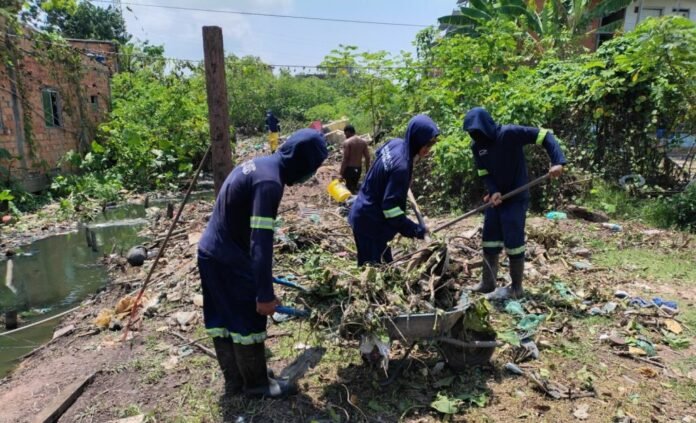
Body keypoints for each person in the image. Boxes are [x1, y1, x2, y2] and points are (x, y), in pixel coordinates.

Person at [197, 129, 328, 399]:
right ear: (301, 162)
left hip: (211, 252)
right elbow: (261, 241)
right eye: (312, 168)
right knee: (249, 318)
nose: (309, 175)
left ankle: (237, 381)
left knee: (224, 318)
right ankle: (257, 385)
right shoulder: (270, 182)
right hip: (229, 258)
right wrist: (265, 294)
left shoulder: (260, 165)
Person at [464, 107, 565, 299]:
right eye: (472, 133)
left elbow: (545, 135)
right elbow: (484, 173)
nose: (475, 136)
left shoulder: (509, 134)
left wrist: (557, 161)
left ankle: (516, 288)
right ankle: (488, 283)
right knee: (489, 239)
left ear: (486, 126)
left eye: (477, 132)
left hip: (516, 197)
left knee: (513, 242)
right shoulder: (477, 147)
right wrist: (493, 190)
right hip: (497, 200)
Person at [349, 115, 439, 266]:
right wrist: (417, 230)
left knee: (385, 265)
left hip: (365, 210)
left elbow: (379, 154)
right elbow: (391, 210)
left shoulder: (395, 143)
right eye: (427, 144)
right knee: (373, 271)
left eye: (432, 144)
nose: (428, 149)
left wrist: (393, 181)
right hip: (370, 223)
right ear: (416, 140)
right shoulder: (402, 168)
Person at [339, 125, 371, 193]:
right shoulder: (363, 142)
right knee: (354, 187)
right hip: (358, 169)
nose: (345, 136)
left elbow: (345, 159)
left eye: (345, 134)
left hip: (349, 170)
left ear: (348, 132)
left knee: (347, 190)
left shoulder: (347, 142)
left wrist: (341, 174)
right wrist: (367, 170)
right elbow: (367, 157)